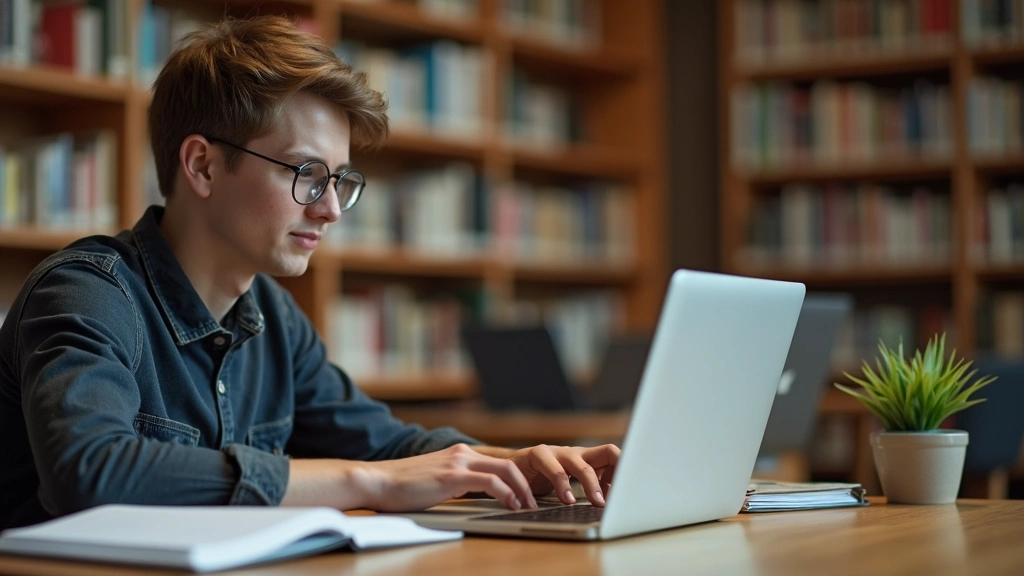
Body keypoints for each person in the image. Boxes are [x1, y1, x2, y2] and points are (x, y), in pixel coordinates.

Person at [0, 15, 618, 530]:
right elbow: (90, 471)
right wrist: (366, 482)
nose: (329, 209)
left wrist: (522, 467)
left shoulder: (270, 314)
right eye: (305, 174)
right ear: (203, 166)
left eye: (341, 181)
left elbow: (383, 444)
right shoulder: (85, 291)